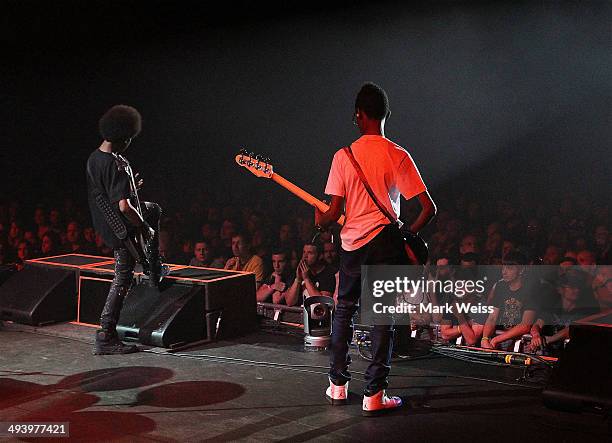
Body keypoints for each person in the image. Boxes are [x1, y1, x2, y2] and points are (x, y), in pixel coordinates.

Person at [315, 83, 436, 415]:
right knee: (382, 316)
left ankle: (338, 386)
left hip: (352, 244)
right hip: (386, 243)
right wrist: (407, 234)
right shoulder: (397, 154)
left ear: (358, 115)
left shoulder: (344, 156)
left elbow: (332, 213)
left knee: (344, 311)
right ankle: (374, 394)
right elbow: (428, 208)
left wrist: (321, 218)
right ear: (386, 114)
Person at [86, 104, 167, 355]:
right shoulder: (116, 164)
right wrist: (144, 228)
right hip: (120, 227)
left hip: (104, 221)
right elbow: (124, 207)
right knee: (122, 277)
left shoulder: (94, 158)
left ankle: (153, 267)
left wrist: (132, 189)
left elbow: (110, 194)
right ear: (124, 138)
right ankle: (106, 334)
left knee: (153, 209)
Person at [284, 242, 336, 306]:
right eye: (304, 252)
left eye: (310, 253)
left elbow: (322, 304)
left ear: (320, 256)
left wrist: (306, 279)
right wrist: (298, 279)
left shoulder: (328, 274)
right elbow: (289, 302)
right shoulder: (299, 272)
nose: (305, 256)